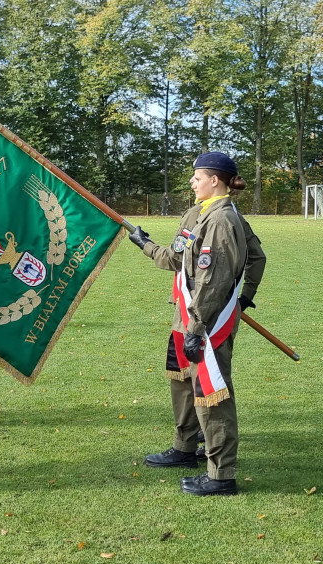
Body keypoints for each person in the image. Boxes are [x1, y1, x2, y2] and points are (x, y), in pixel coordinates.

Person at [127, 151, 256, 496]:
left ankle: (221, 474)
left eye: (197, 177)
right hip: (186, 314)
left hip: (206, 321)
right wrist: (146, 245)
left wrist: (207, 321)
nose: (191, 182)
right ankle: (185, 448)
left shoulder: (222, 221)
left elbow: (212, 281)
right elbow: (177, 257)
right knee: (183, 382)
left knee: (211, 393)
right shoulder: (199, 215)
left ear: (215, 180)